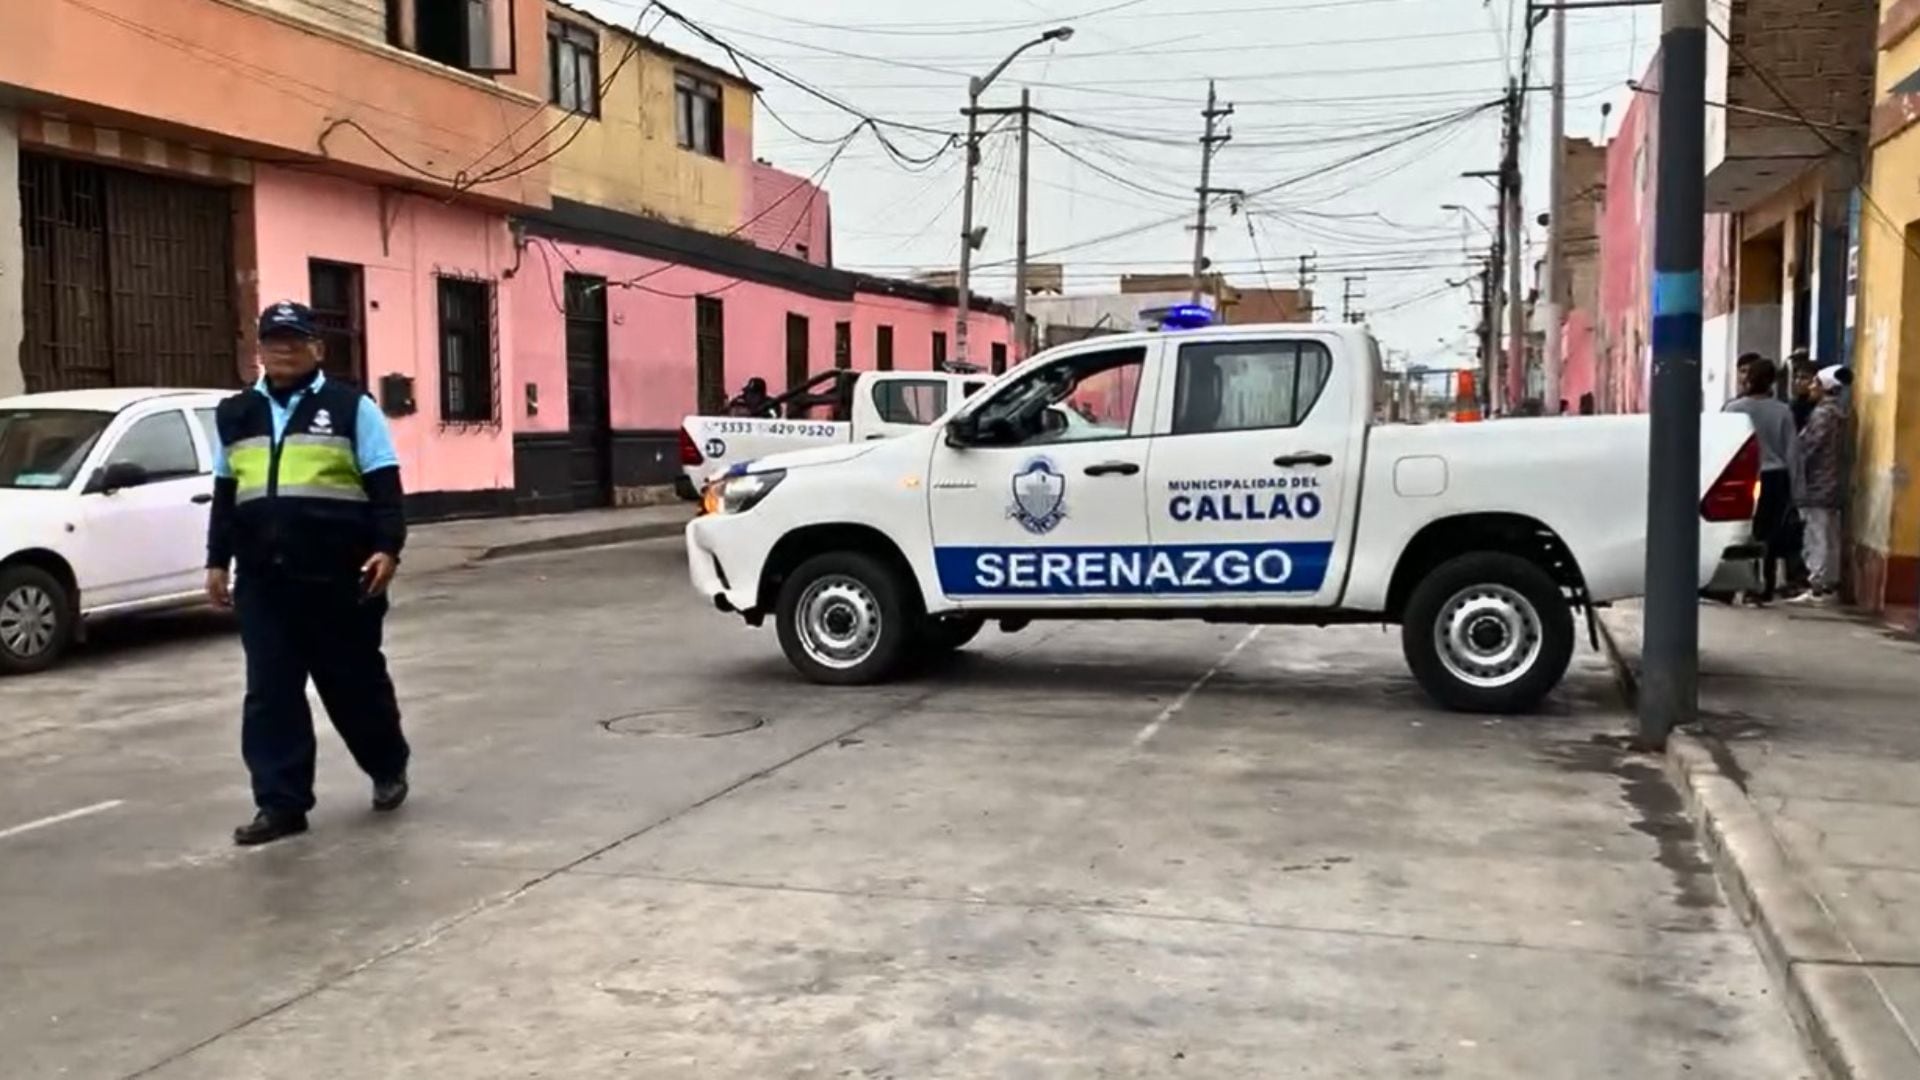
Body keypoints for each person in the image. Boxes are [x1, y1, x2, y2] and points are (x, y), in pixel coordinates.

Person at [206, 301, 410, 846]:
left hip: (340, 580)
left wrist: (387, 548)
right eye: (274, 341)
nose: (284, 350)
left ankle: (387, 763)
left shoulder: (351, 407)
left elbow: (385, 488)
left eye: (295, 341)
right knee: (270, 694)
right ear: (260, 349)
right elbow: (227, 496)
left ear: (317, 348)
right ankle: (281, 804)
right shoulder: (235, 414)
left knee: (353, 686)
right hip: (264, 582)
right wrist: (215, 561)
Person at [1721, 357, 1795, 602]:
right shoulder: (1783, 411)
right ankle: (1765, 587)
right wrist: (1796, 486)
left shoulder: (1733, 409)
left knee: (1743, 529)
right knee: (1770, 533)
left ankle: (1739, 582)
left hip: (1743, 475)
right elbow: (1792, 450)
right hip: (1775, 476)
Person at [1789, 365, 1849, 605]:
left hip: (1819, 483)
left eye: (1815, 383)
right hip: (1832, 482)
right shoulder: (1838, 413)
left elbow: (1809, 448)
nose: (1810, 387)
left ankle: (1818, 584)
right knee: (1830, 533)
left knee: (1817, 534)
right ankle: (1829, 584)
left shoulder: (1823, 414)